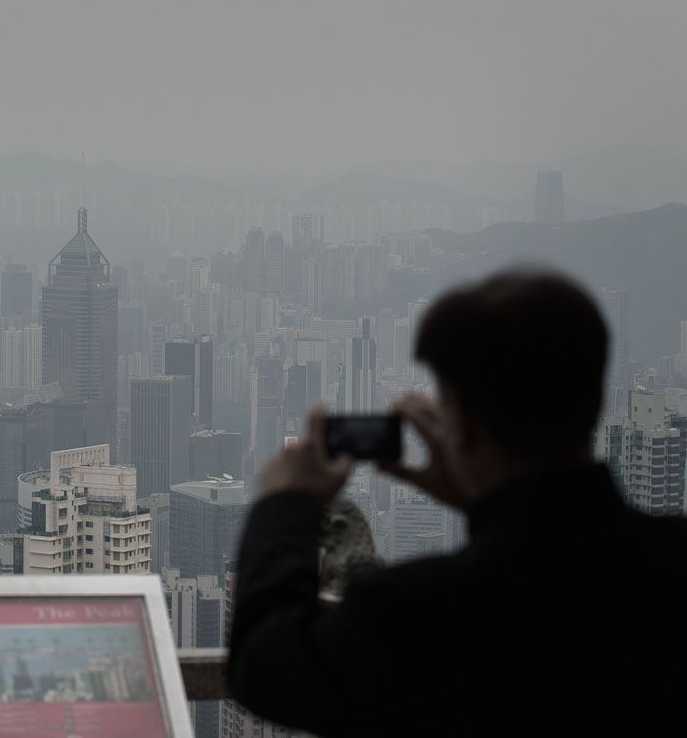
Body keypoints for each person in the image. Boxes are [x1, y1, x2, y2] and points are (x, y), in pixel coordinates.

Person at [228, 270, 687, 737]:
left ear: (461, 422)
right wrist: (483, 502)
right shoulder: (673, 564)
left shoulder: (423, 611)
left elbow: (265, 666)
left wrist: (287, 504)